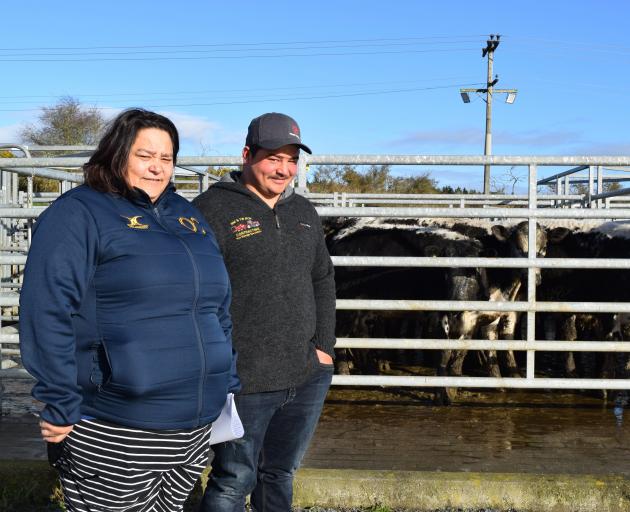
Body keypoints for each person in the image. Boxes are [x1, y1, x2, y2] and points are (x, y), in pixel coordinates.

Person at [19, 108, 240, 512]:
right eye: (145, 155)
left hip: (194, 425)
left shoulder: (188, 216)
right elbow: (47, 309)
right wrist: (58, 398)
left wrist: (226, 375)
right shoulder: (80, 213)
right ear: (117, 153)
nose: (157, 168)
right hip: (116, 423)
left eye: (167, 158)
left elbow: (217, 304)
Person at [193, 112, 336, 511]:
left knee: (280, 473)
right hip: (244, 378)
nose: (284, 169)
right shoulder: (210, 210)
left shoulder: (303, 213)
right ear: (246, 155)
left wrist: (324, 348)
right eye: (273, 157)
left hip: (306, 374)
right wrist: (219, 361)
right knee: (233, 479)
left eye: (292, 159)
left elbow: (322, 278)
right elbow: (196, 293)